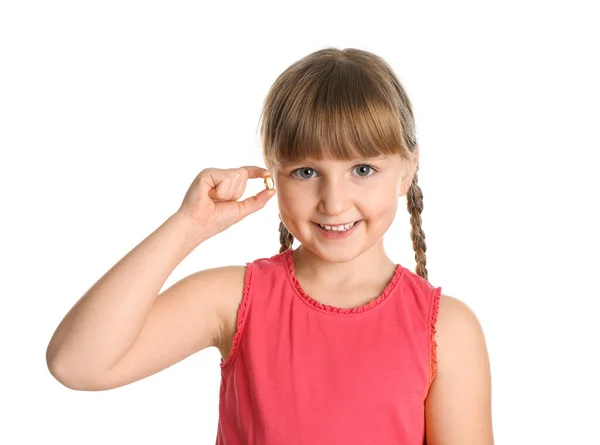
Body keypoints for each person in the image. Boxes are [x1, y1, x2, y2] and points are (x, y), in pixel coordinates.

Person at [46, 47, 494, 444]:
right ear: (273, 173)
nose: (334, 202)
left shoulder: (446, 329)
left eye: (362, 169)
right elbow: (77, 363)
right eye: (305, 171)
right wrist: (187, 227)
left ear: (407, 169)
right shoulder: (234, 300)